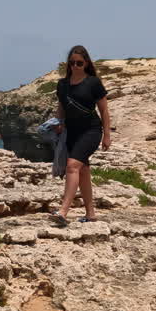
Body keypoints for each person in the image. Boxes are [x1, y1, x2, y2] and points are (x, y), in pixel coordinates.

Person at [52, 45, 110, 225]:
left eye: (79, 63)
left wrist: (106, 135)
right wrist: (58, 123)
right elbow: (61, 106)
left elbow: (104, 110)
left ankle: (63, 211)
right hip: (71, 132)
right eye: (72, 63)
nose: (75, 66)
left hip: (91, 131)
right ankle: (91, 213)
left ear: (86, 63)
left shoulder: (93, 82)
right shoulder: (62, 85)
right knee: (83, 171)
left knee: (72, 166)